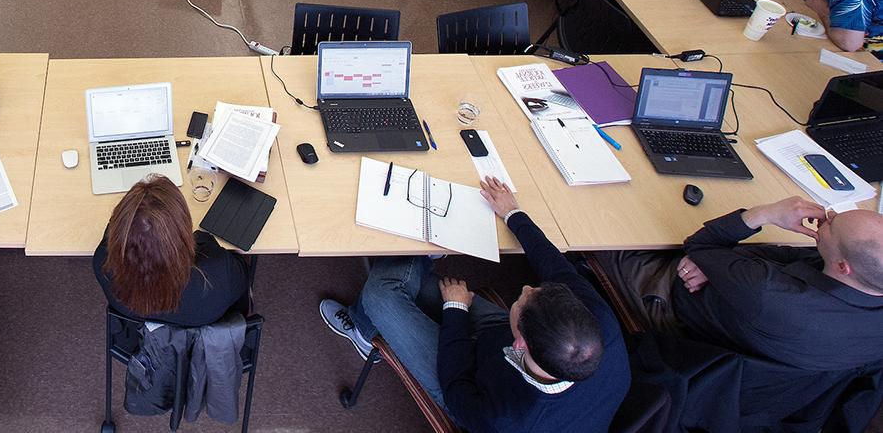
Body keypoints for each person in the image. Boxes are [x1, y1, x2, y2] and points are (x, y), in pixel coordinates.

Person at [320, 177, 628, 431]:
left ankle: (364, 327)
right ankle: (404, 279)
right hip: (499, 347)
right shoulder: (595, 321)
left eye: (522, 300)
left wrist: (456, 311)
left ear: (520, 340)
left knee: (382, 294)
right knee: (406, 283)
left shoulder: (507, 419)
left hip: (468, 388)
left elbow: (457, 383)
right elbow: (556, 267)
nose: (525, 286)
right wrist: (514, 214)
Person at [598, 197, 883, 372]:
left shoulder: (767, 292)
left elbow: (699, 244)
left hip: (673, 303)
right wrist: (720, 264)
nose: (827, 217)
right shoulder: (864, 283)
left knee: (604, 234)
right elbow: (783, 254)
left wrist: (765, 214)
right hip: (746, 335)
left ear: (843, 267)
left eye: (830, 226)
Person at [92, 175, 248, 325]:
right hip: (201, 341)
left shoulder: (103, 263)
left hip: (137, 335)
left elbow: (112, 230)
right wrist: (204, 240)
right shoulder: (218, 274)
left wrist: (127, 217)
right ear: (182, 231)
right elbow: (242, 272)